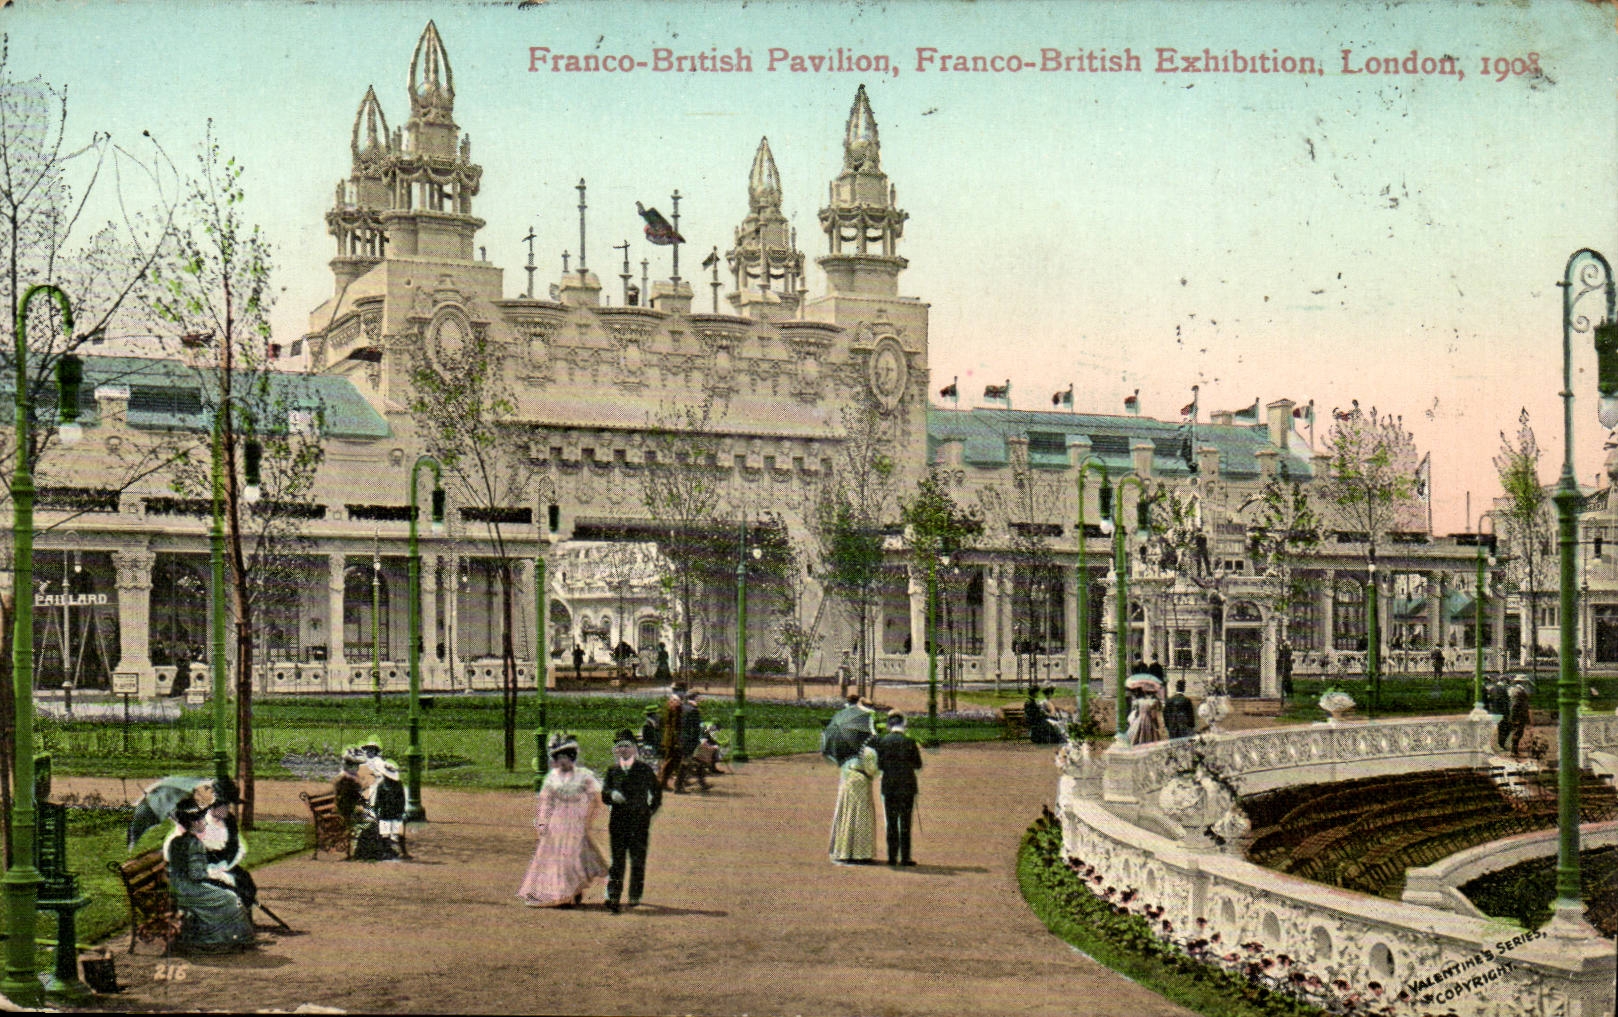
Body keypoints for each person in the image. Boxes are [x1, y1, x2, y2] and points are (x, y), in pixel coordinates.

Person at [518, 734, 608, 908]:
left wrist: (589, 816)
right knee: (557, 860)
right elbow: (546, 803)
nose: (563, 762)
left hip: (576, 822)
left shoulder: (583, 776)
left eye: (566, 757)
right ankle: (562, 894)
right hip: (557, 823)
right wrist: (542, 823)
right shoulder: (552, 779)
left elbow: (597, 797)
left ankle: (574, 891)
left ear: (573, 758)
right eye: (559, 758)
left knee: (575, 858)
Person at [166, 799, 255, 953]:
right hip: (189, 889)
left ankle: (225, 937)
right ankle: (215, 939)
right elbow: (196, 874)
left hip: (182, 885)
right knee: (229, 898)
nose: (205, 823)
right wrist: (214, 877)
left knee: (229, 894)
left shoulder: (180, 841)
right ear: (193, 823)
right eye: (201, 820)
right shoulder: (193, 843)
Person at [601, 729, 661, 913]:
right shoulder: (612, 771)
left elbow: (657, 794)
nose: (623, 750)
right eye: (619, 747)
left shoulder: (644, 770)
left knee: (637, 860)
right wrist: (612, 794)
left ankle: (635, 895)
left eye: (627, 746)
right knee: (617, 860)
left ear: (634, 749)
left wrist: (648, 812)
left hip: (639, 822)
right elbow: (604, 794)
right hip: (618, 822)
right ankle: (613, 896)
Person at [873, 711, 922, 867]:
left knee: (891, 822)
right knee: (906, 823)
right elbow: (918, 764)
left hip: (889, 785)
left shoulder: (883, 742)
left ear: (889, 725)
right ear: (903, 725)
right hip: (907, 785)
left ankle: (892, 857)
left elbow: (879, 765)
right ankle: (905, 857)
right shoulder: (910, 742)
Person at [201, 777, 257, 909]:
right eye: (225, 805)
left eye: (229, 805)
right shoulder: (199, 821)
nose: (228, 809)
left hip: (223, 862)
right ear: (214, 805)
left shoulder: (230, 821)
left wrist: (225, 864)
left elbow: (233, 846)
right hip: (202, 864)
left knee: (245, 882)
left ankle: (242, 914)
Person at [829, 730, 879, 865]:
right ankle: (860, 853)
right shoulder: (868, 752)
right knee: (861, 815)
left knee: (847, 813)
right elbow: (872, 770)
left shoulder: (845, 749)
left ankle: (843, 850)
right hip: (861, 783)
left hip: (846, 781)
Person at [675, 691, 708, 793]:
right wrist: (699, 739)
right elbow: (695, 728)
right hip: (690, 740)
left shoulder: (683, 708)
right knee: (688, 762)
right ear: (694, 698)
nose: (700, 701)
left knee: (694, 761)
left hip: (681, 738)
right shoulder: (693, 711)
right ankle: (679, 786)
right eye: (698, 698)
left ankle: (701, 783)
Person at [374, 760, 407, 859]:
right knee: (397, 832)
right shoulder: (398, 784)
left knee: (385, 833)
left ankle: (386, 851)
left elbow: (377, 801)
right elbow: (402, 799)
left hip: (385, 812)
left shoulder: (381, 785)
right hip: (395, 812)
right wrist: (401, 811)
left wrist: (376, 812)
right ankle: (401, 851)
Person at [657, 686, 685, 790]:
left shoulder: (669, 705)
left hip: (668, 737)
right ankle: (662, 782)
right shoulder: (675, 706)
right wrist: (677, 739)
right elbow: (675, 725)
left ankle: (664, 782)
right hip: (672, 738)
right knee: (670, 760)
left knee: (671, 760)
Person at [1505, 680, 1532, 757]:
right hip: (1518, 715)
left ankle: (1514, 750)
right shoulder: (1519, 692)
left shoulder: (1515, 690)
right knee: (1517, 732)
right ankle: (1514, 751)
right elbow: (1515, 704)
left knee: (1517, 732)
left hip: (1517, 714)